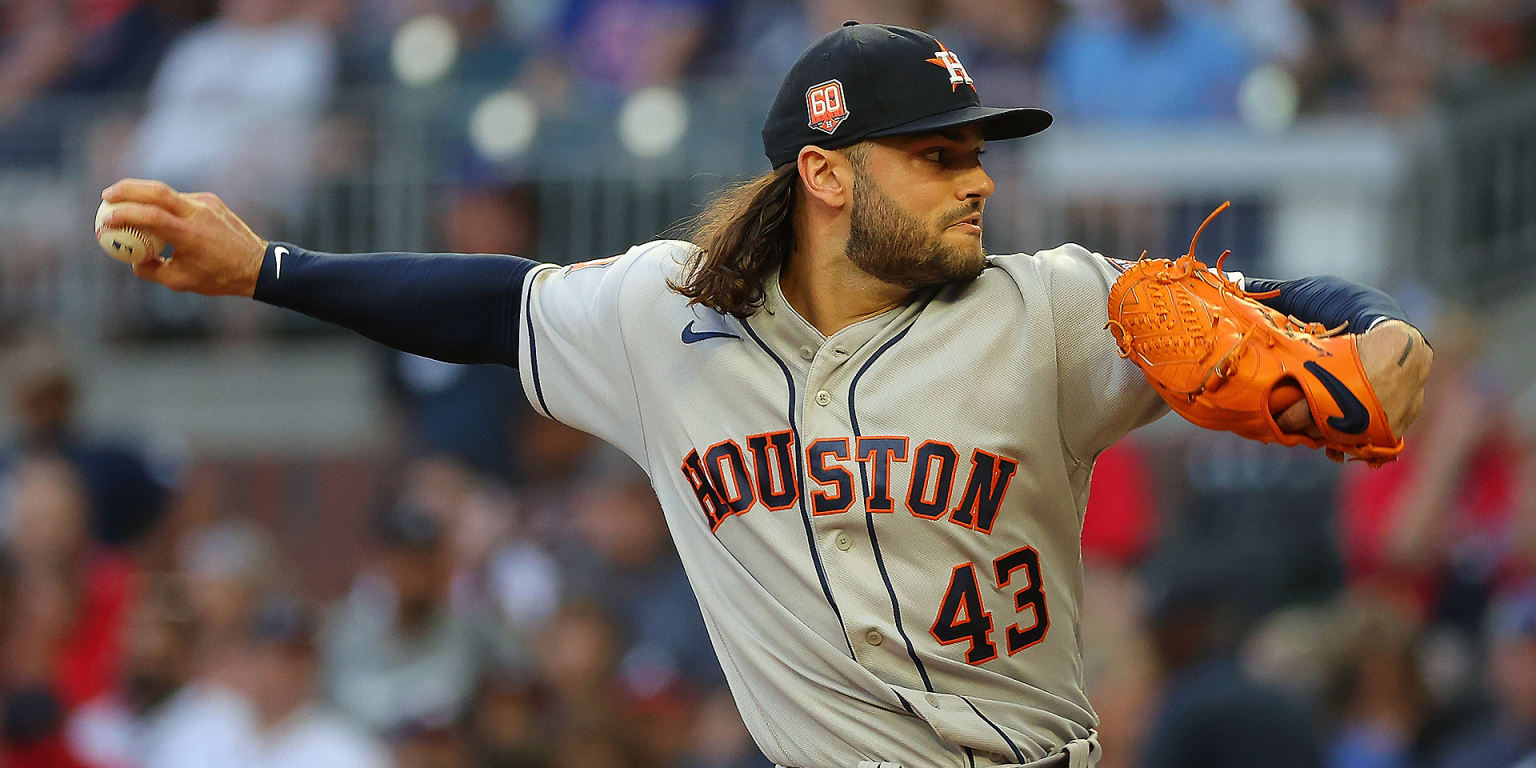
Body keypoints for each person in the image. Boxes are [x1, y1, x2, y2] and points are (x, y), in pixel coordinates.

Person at [98, 21, 1433, 768]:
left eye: (979, 153)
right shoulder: (663, 312)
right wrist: (270, 268)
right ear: (829, 175)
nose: (977, 182)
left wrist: (1374, 330)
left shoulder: (1053, 306)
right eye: (936, 155)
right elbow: (488, 303)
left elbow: (1281, 298)